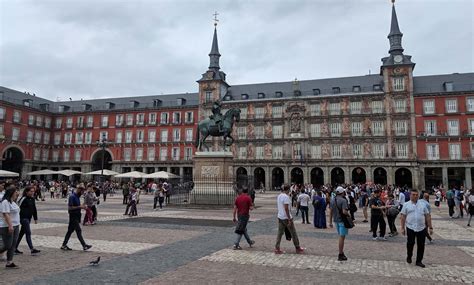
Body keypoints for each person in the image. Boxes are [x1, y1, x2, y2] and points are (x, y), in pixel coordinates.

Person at [400, 189, 433, 268]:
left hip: (421, 227)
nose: (415, 196)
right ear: (410, 195)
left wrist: (430, 227)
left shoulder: (423, 205)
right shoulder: (406, 205)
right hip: (410, 227)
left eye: (416, 195)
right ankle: (409, 256)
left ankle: (419, 261)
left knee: (421, 245)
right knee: (410, 243)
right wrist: (402, 228)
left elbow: (427, 216)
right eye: (413, 194)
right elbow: (403, 217)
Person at [274, 184, 304, 254]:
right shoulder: (286, 197)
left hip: (280, 216)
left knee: (279, 233)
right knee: (293, 232)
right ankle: (297, 247)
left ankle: (277, 248)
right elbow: (286, 208)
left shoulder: (279, 196)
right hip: (286, 218)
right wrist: (289, 218)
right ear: (288, 189)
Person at [61, 185, 92, 251]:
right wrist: (80, 207)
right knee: (78, 230)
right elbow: (70, 207)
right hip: (73, 216)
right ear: (79, 190)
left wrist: (83, 206)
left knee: (69, 231)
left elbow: (78, 206)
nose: (82, 193)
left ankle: (64, 245)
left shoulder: (77, 197)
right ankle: (84, 245)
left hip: (77, 216)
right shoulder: (72, 197)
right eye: (82, 192)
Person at [15, 186, 41, 255]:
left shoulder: (32, 199)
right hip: (23, 218)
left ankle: (14, 248)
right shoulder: (23, 199)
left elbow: (34, 209)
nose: (32, 193)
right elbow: (17, 208)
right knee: (28, 233)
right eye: (31, 191)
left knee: (21, 234)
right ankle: (32, 249)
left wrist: (35, 218)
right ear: (27, 192)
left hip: (28, 218)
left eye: (33, 191)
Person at [0, 186, 21, 268]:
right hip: (7, 226)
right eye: (16, 192)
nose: (17, 193)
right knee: (7, 245)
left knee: (13, 245)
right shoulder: (5, 202)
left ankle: (9, 262)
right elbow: (6, 214)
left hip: (16, 225)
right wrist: (10, 225)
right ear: (11, 193)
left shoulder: (13, 201)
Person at [329, 186, 350, 261]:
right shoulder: (343, 200)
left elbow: (330, 211)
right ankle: (340, 254)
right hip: (342, 221)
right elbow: (344, 211)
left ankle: (342, 252)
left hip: (336, 221)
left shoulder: (332, 200)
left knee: (341, 236)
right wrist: (349, 216)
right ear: (342, 192)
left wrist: (330, 222)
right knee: (342, 237)